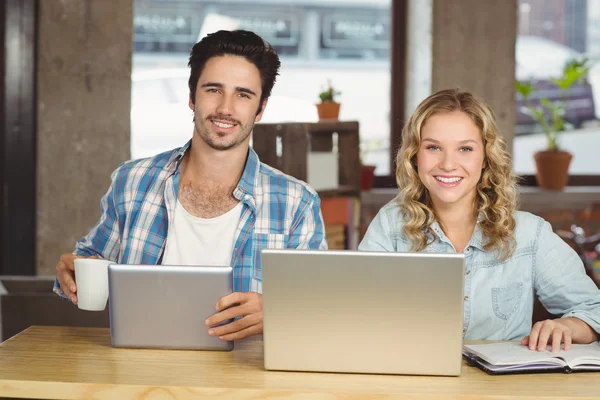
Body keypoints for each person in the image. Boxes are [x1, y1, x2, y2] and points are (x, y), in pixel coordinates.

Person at [54, 30, 327, 341]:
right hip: (140, 370)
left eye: (243, 94)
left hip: (246, 379)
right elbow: (91, 266)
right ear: (191, 96)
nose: (225, 108)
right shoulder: (133, 181)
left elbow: (319, 308)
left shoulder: (296, 202)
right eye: (213, 89)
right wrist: (71, 274)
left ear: (260, 108)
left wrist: (278, 311)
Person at [358, 88, 600, 353]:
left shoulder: (530, 234)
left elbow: (594, 309)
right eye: (433, 147)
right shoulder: (390, 226)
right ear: (415, 155)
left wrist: (569, 327)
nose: (448, 164)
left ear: (485, 157)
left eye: (465, 148)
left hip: (501, 391)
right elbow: (354, 315)